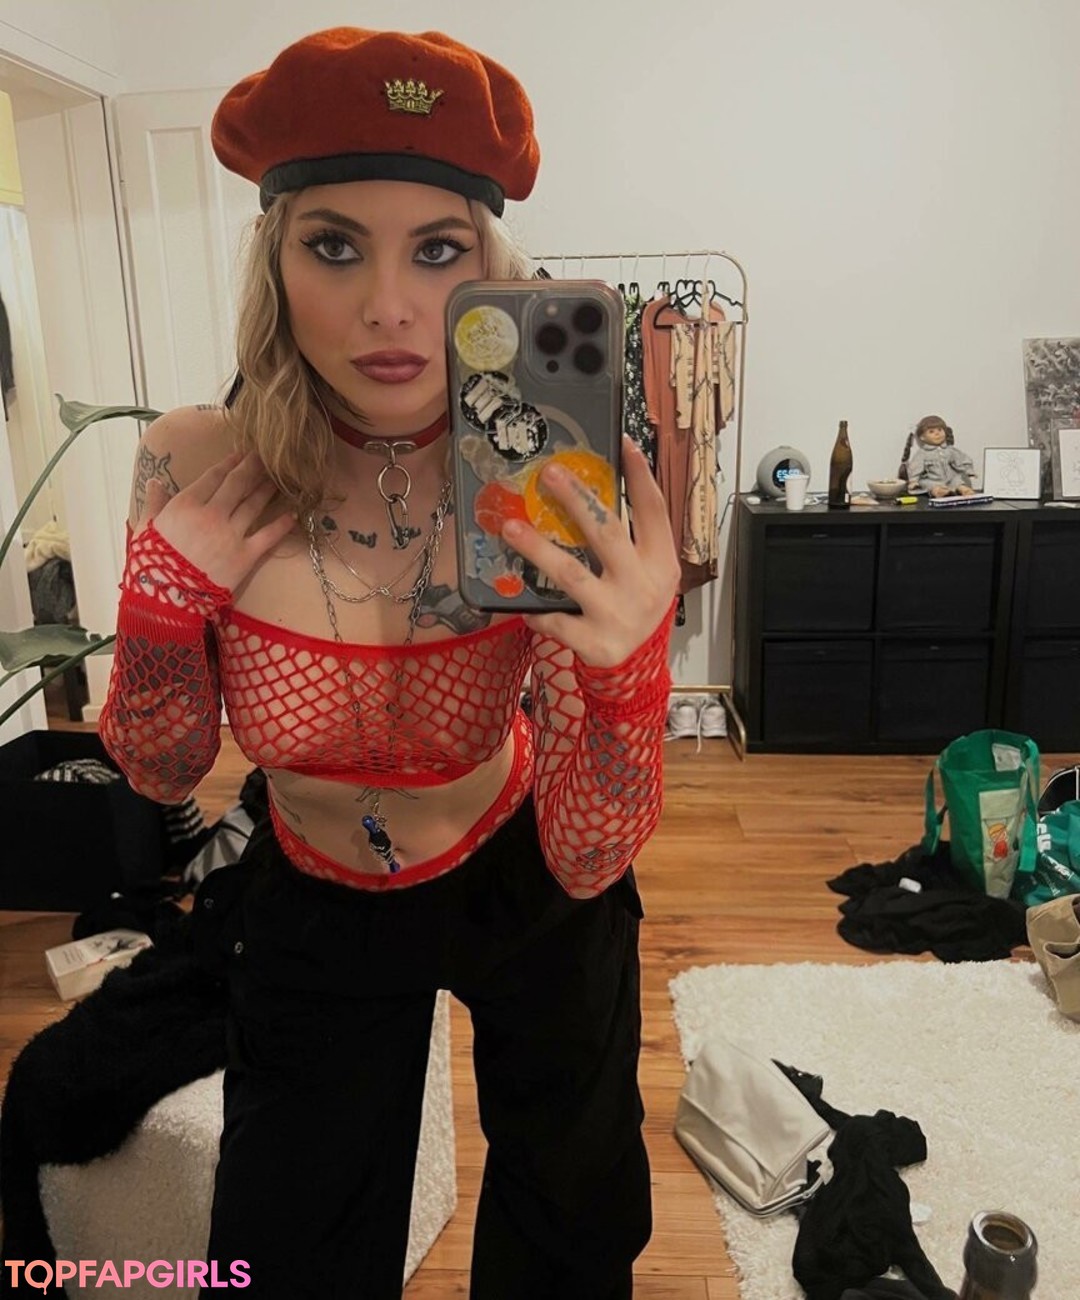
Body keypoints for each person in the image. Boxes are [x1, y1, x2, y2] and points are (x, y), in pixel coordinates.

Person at [97, 26, 679, 1300]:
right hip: (312, 892)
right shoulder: (191, 461)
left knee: (575, 1217)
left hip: (520, 866)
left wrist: (627, 676)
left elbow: (591, 854)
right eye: (334, 246)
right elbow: (162, 771)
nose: (389, 307)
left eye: (438, 249)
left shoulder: (540, 471)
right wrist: (162, 608)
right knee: (286, 1247)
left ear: (491, 267)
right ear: (275, 259)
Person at [902, 414, 976, 497]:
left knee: (957, 480)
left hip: (950, 478)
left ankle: (963, 489)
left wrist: (969, 470)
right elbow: (915, 467)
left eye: (940, 430)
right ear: (922, 437)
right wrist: (913, 481)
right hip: (932, 479)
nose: (937, 433)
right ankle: (939, 492)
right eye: (931, 432)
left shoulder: (950, 450)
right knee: (926, 483)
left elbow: (961, 459)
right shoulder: (922, 453)